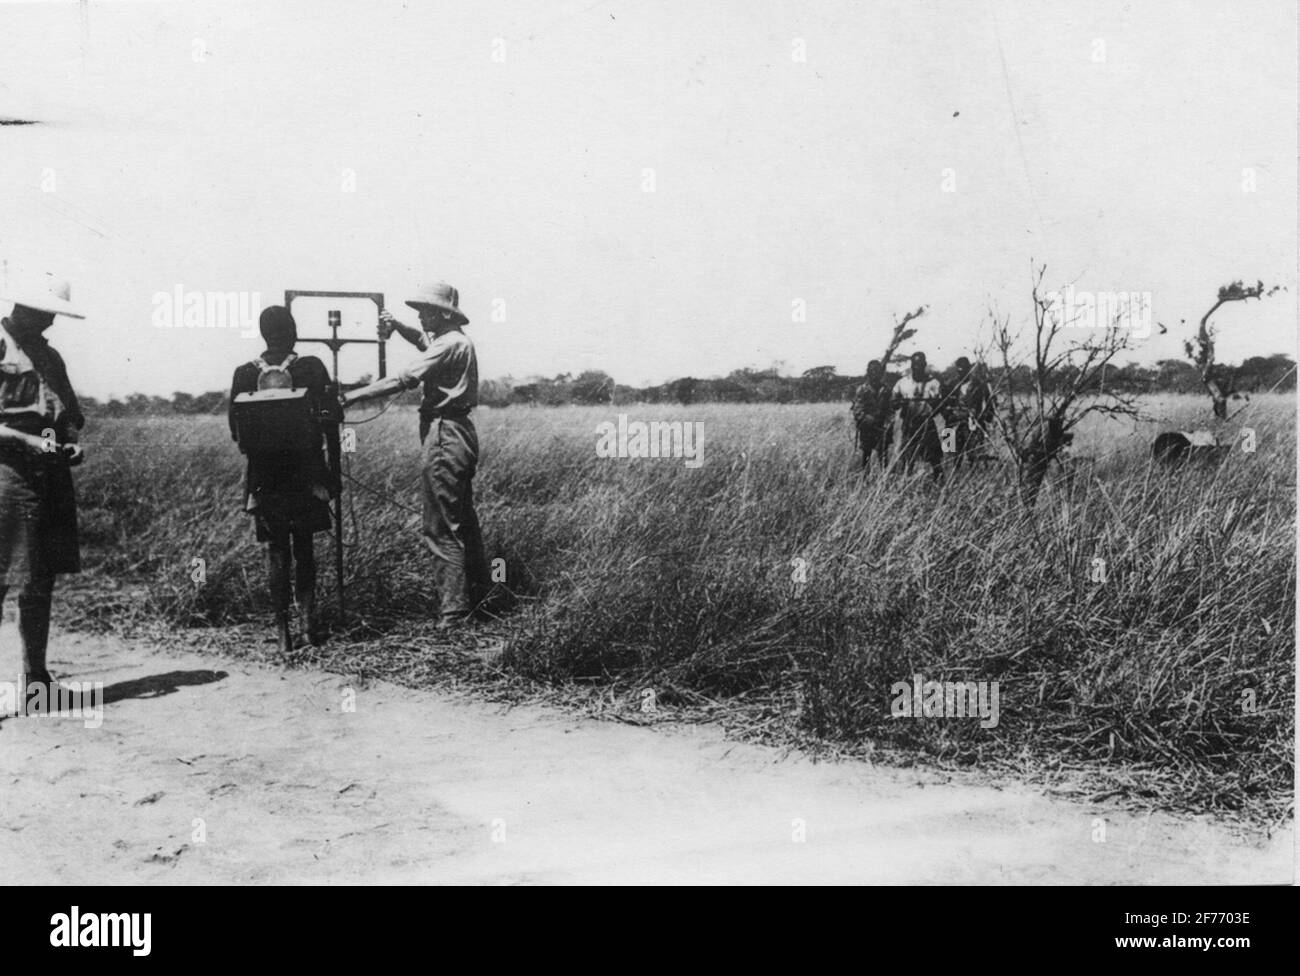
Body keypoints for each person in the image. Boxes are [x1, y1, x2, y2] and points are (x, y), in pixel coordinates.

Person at [343, 282, 488, 628]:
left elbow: (402, 379)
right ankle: (477, 601)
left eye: (424, 310)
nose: (420, 316)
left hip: (444, 434)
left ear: (442, 313)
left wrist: (349, 397)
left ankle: (453, 613)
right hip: (459, 432)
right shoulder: (454, 341)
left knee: (440, 527)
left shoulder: (449, 344)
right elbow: (424, 342)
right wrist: (398, 328)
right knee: (462, 521)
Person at [229, 305, 339, 653]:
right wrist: (332, 472)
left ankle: (282, 635)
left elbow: (236, 431)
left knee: (277, 551)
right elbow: (330, 421)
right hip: (307, 474)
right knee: (305, 548)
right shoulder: (312, 366)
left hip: (265, 477)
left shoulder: (244, 373)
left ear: (263, 335)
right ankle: (308, 627)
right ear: (293, 332)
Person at [0, 275, 86, 714]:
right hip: (7, 473)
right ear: (23, 307)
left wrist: (64, 441)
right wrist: (28, 441)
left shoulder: (49, 355)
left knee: (39, 577)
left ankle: (36, 681)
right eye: (45, 311)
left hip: (48, 473)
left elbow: (65, 415)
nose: (50, 320)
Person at [891, 351, 945, 482]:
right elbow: (893, 403)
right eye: (915, 364)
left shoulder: (934, 383)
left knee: (934, 455)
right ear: (911, 365)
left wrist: (931, 405)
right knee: (907, 454)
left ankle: (939, 481)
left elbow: (940, 405)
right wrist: (900, 403)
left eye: (920, 364)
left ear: (925, 364)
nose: (917, 367)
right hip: (908, 424)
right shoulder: (902, 382)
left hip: (926, 422)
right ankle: (905, 481)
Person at [945, 357, 995, 471]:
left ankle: (974, 477)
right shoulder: (951, 384)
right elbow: (943, 404)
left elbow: (989, 402)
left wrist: (985, 417)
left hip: (973, 423)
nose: (961, 372)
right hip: (953, 422)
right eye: (959, 369)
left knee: (974, 452)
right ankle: (953, 477)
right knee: (950, 453)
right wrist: (948, 415)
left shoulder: (979, 384)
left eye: (964, 369)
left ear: (969, 369)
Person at [850, 359, 892, 471]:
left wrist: (889, 422)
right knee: (866, 456)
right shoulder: (862, 390)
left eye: (877, 371)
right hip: (867, 428)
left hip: (882, 427)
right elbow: (857, 410)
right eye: (872, 371)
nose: (875, 374)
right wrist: (867, 418)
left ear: (881, 373)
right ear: (868, 372)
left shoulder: (886, 390)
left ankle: (884, 480)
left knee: (883, 456)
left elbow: (890, 409)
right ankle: (864, 479)